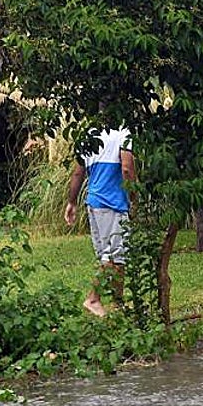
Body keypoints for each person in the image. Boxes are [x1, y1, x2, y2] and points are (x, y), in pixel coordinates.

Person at [64, 128, 136, 316]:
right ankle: (93, 298)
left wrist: (71, 202)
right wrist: (135, 198)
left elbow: (78, 174)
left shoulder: (88, 134)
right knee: (114, 258)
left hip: (94, 203)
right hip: (113, 203)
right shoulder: (123, 133)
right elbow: (127, 168)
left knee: (112, 257)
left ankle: (117, 304)